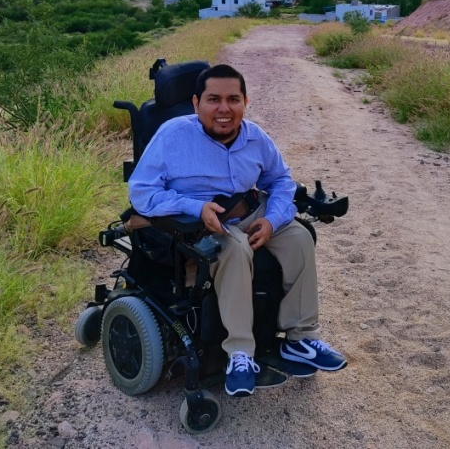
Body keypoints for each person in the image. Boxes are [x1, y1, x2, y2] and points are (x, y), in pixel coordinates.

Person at [128, 63, 347, 397]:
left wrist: (273, 220)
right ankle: (240, 353)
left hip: (249, 212)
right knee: (234, 247)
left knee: (300, 237)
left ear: (245, 102)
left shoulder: (256, 137)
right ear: (196, 102)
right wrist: (195, 207)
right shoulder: (173, 136)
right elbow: (141, 192)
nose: (223, 109)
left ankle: (300, 339)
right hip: (198, 222)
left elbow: (280, 180)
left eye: (233, 99)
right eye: (213, 99)